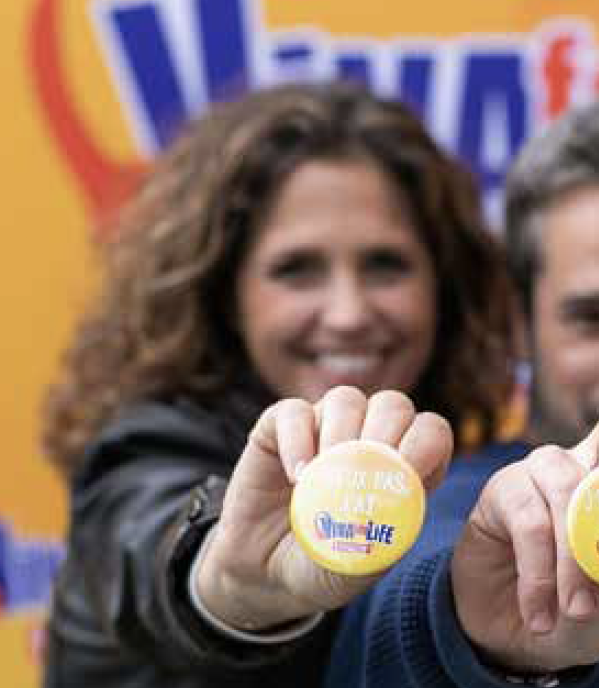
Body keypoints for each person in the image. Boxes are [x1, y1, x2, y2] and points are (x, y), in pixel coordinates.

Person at [40, 82, 517, 688]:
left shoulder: (455, 474)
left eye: (385, 265)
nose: (348, 313)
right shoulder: (145, 452)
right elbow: (156, 546)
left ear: (443, 287)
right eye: (297, 269)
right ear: (226, 295)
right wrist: (233, 584)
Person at [323, 87, 599, 688]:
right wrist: (474, 640)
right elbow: (421, 595)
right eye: (594, 318)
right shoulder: (454, 518)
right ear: (518, 320)